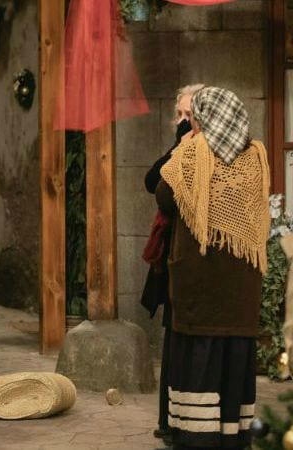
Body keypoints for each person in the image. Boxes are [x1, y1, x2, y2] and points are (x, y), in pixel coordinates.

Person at [156, 86, 268, 449]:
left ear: (204, 118)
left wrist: (183, 146)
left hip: (200, 284)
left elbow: (163, 196)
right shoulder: (255, 156)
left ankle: (198, 435)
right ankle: (233, 433)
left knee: (200, 355)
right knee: (234, 353)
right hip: (241, 288)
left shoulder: (193, 153)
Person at [141, 83, 202, 445]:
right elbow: (153, 182)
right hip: (172, 257)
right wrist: (178, 147)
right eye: (178, 114)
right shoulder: (180, 149)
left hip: (195, 262)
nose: (182, 121)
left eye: (189, 114)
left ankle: (186, 422)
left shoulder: (206, 153)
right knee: (172, 337)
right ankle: (169, 420)